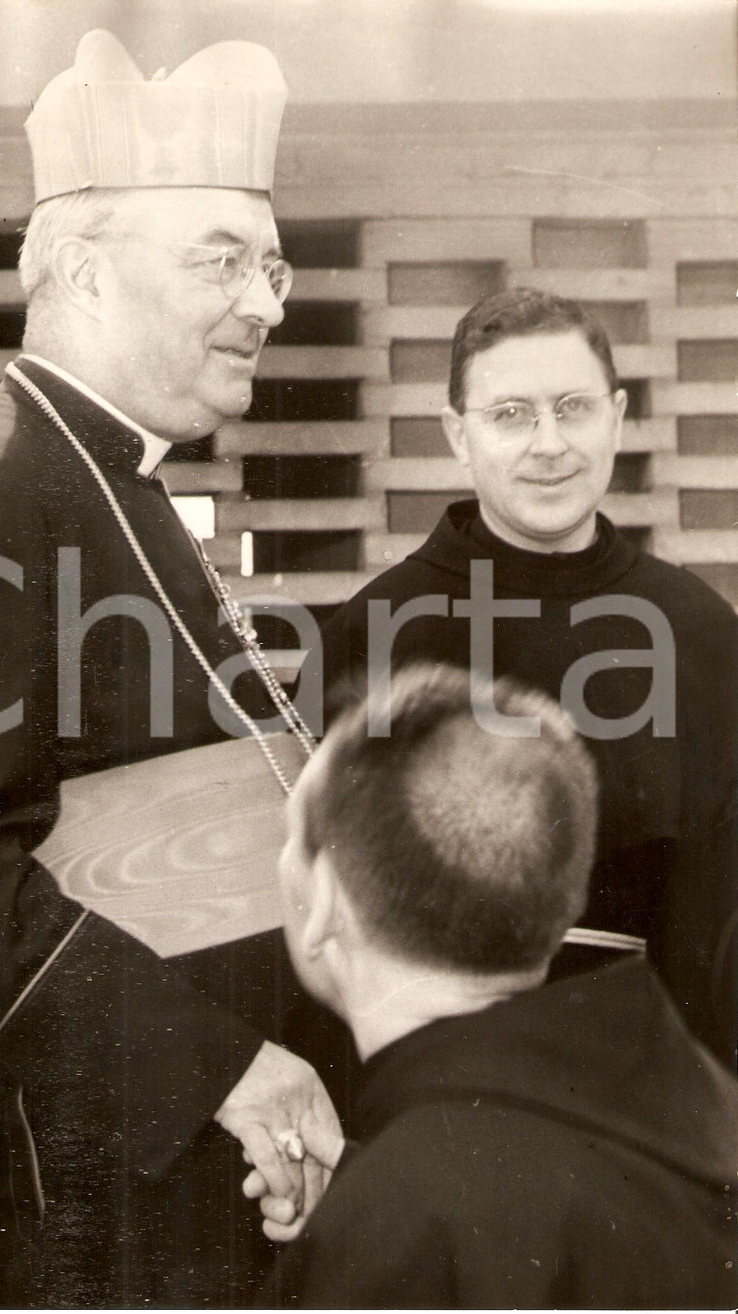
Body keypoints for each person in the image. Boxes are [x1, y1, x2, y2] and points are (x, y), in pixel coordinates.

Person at [0, 30, 348, 1309]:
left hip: (178, 1157)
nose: (267, 302)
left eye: (272, 263)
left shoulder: (104, 478)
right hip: (88, 1172)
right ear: (81, 267)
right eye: (220, 259)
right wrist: (221, 1068)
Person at [318, 287, 738, 1067]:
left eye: (573, 408)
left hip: (656, 1086)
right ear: (457, 434)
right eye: (511, 415)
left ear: (616, 418)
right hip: (437, 1086)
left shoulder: (703, 633)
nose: (550, 444)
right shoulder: (374, 633)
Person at [255, 663, 738, 1308]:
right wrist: (370, 1186)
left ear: (323, 900)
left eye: (293, 836)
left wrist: (376, 1227)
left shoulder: (412, 1219)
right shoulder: (692, 1103)